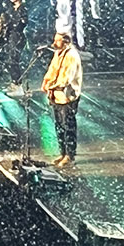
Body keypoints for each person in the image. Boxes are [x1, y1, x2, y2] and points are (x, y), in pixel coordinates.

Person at [41, 31, 82, 169]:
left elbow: (66, 77)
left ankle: (70, 156)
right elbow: (52, 70)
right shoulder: (58, 53)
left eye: (57, 41)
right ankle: (63, 153)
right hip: (56, 96)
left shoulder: (71, 55)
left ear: (65, 42)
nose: (54, 43)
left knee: (68, 126)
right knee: (59, 126)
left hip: (67, 96)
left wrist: (52, 85)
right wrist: (46, 82)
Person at [0, 0, 28, 90]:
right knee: (9, 60)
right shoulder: (10, 10)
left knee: (13, 60)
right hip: (10, 37)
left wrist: (10, 24)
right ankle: (15, 82)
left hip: (18, 38)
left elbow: (21, 24)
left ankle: (18, 84)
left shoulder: (22, 10)